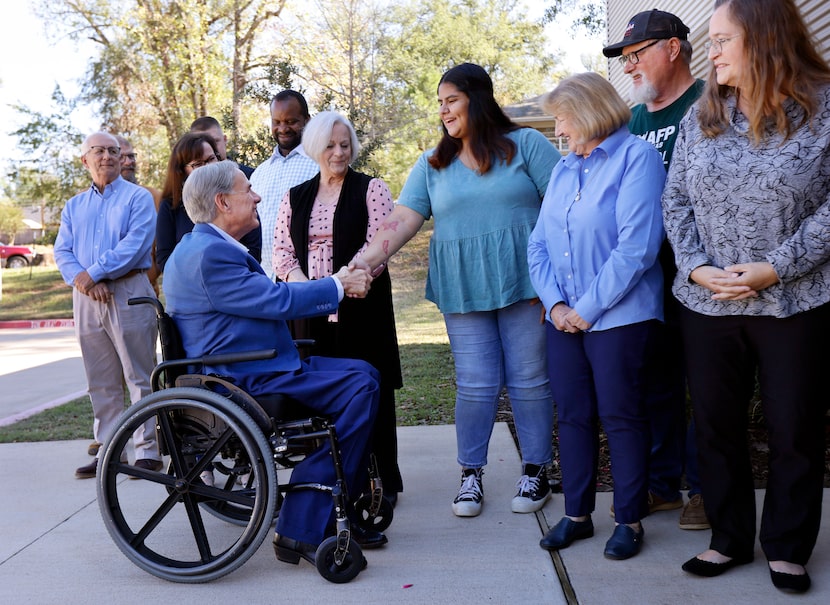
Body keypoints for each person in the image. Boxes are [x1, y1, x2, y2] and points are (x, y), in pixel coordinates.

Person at [663, 0, 830, 593]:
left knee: (795, 427)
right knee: (715, 425)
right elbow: (675, 198)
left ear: (764, 39)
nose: (714, 49)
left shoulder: (823, 108)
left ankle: (787, 546)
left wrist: (776, 267)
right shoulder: (702, 114)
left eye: (725, 39)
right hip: (709, 303)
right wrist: (696, 266)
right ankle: (728, 538)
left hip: (795, 301)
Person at [351, 63, 560, 517]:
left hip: (525, 281)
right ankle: (471, 475)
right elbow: (403, 219)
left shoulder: (526, 145)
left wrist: (557, 278)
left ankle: (537, 470)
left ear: (477, 99)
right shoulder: (433, 163)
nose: (444, 110)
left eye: (452, 100)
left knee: (529, 380)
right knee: (475, 384)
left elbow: (563, 208)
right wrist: (364, 261)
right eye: (440, 102)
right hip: (463, 286)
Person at [164, 159, 386, 571]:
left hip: (256, 365)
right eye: (247, 189)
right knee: (363, 384)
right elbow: (277, 301)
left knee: (366, 373)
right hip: (247, 378)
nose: (257, 196)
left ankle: (335, 504)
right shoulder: (210, 255)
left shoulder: (202, 248)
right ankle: (303, 519)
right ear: (222, 202)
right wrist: (339, 284)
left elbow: (265, 298)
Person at [529, 72, 666, 561]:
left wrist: (585, 309)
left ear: (588, 111)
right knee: (572, 417)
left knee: (621, 415)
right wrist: (556, 306)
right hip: (563, 318)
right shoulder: (565, 169)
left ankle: (629, 520)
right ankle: (577, 515)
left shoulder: (638, 158)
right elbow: (538, 244)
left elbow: (637, 249)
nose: (559, 129)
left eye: (563, 117)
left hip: (620, 316)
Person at [603, 9, 709, 531]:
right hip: (648, 279)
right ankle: (664, 485)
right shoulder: (634, 122)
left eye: (636, 54)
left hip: (704, 274)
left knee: (710, 385)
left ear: (672, 48)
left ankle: (706, 489)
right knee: (658, 384)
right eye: (624, 59)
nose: (629, 67)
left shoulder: (711, 104)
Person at [274, 111, 403, 502]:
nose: (339, 152)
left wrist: (342, 284)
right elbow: (282, 253)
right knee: (320, 396)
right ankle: (329, 477)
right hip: (310, 315)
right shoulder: (295, 196)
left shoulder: (372, 189)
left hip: (362, 307)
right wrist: (309, 293)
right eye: (330, 145)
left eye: (345, 144)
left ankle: (380, 481)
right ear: (315, 148)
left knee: (370, 391)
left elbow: (378, 247)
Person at [54, 131, 161, 479]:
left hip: (128, 289)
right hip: (86, 299)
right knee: (100, 380)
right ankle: (111, 451)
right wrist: (84, 281)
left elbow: (135, 245)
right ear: (85, 160)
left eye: (113, 151)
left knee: (139, 374)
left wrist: (95, 274)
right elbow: (63, 251)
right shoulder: (74, 206)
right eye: (98, 151)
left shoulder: (138, 198)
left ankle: (148, 452)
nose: (107, 157)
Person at [155, 132, 261, 272]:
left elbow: (253, 249)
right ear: (182, 171)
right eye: (198, 164)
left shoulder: (239, 197)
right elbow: (164, 258)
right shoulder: (171, 205)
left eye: (211, 159)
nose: (207, 167)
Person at [251, 90, 319, 280]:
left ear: (307, 120)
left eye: (291, 122)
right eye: (277, 122)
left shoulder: (321, 166)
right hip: (265, 280)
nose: (282, 128)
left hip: (306, 278)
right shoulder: (260, 173)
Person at [190, 116, 255, 178]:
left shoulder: (251, 176)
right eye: (203, 144)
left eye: (215, 142)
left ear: (225, 140)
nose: (210, 148)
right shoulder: (190, 182)